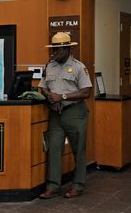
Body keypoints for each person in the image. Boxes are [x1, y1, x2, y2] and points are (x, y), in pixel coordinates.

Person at [38, 32, 92, 199]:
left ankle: (78, 185)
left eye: (58, 49)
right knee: (53, 148)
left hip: (75, 113)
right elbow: (43, 86)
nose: (54, 53)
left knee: (78, 149)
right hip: (56, 114)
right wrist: (49, 97)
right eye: (53, 49)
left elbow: (86, 92)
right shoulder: (50, 66)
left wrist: (62, 97)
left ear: (67, 48)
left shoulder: (78, 67)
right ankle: (53, 186)